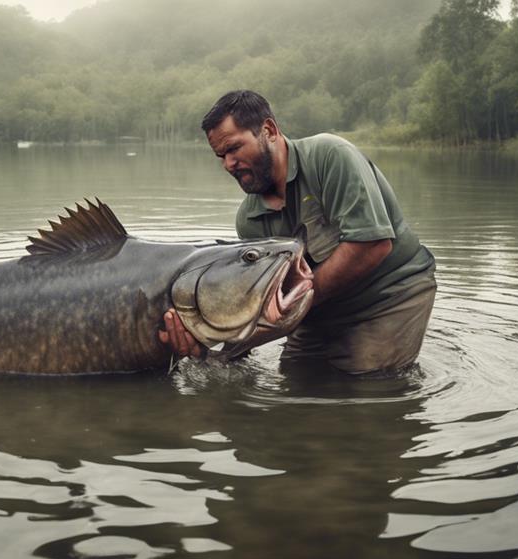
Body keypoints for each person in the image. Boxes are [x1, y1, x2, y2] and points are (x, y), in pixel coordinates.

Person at [159, 90, 436, 375]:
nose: (228, 164)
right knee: (295, 380)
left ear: (268, 130)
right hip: (319, 311)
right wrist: (214, 348)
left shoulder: (330, 157)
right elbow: (266, 300)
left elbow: (374, 246)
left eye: (234, 149)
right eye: (221, 156)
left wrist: (301, 298)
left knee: (362, 382)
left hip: (389, 295)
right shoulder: (248, 219)